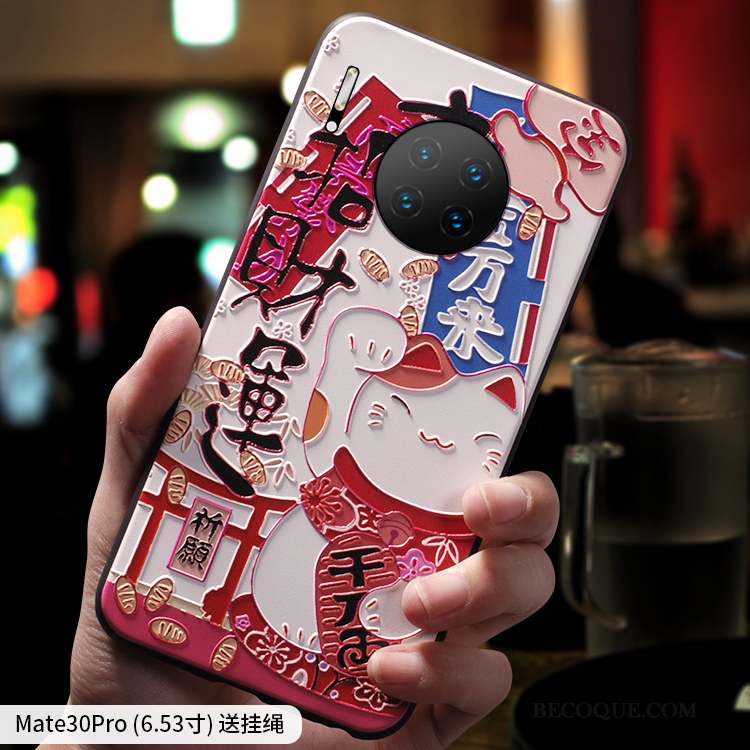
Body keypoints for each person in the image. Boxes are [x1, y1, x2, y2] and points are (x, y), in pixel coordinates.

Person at [66, 307, 559, 748]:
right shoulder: (339, 467)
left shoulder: (440, 528)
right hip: (257, 629)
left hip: (353, 670)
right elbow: (325, 419)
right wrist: (102, 739)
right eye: (403, 410)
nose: (436, 441)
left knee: (430, 604)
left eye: (474, 441)